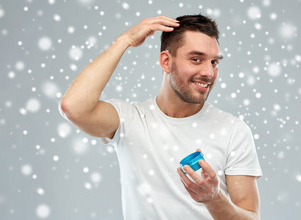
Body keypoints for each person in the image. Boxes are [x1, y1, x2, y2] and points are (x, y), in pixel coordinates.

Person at [59, 14, 262, 219]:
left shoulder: (233, 131)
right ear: (166, 61)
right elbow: (73, 107)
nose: (209, 72)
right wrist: (125, 40)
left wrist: (213, 199)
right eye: (196, 59)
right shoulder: (129, 120)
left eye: (214, 62)